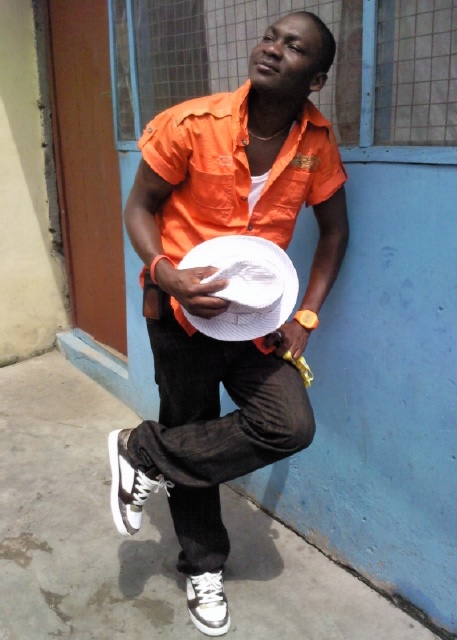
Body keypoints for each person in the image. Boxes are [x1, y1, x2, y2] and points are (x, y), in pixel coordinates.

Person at [108, 10, 349, 637]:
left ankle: (143, 452)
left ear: (316, 80)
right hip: (180, 315)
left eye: (293, 47)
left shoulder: (317, 144)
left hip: (257, 323)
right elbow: (140, 207)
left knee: (289, 424)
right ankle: (203, 567)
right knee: (192, 429)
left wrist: (306, 315)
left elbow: (334, 233)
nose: (272, 49)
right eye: (270, 37)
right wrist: (165, 273)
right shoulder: (193, 124)